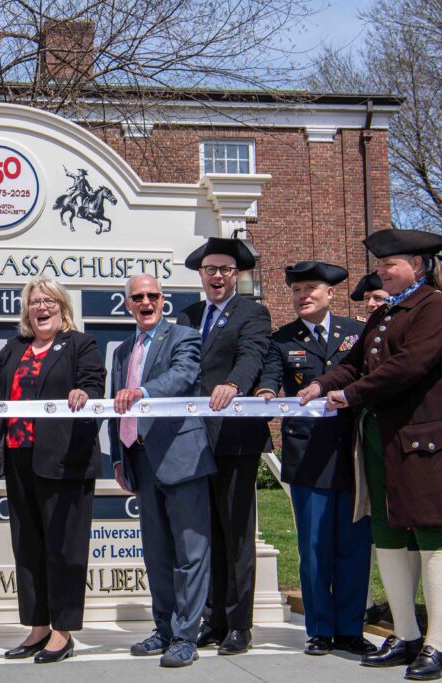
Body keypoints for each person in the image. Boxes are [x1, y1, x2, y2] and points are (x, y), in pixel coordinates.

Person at [299, 229, 442, 681]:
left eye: (388, 264)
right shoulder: (387, 311)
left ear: (417, 265)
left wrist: (351, 395)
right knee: (388, 538)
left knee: (431, 539)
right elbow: (354, 362)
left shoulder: (436, 308)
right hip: (380, 440)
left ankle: (438, 645)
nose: (380, 271)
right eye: (380, 264)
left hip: (422, 445)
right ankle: (405, 635)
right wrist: (322, 384)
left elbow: (410, 365)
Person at [0, 275, 106, 664]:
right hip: (19, 458)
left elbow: (94, 385)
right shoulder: (15, 346)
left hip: (65, 461)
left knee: (64, 547)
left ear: (62, 308)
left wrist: (84, 394)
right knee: (28, 546)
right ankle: (38, 627)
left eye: (49, 301)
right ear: (26, 311)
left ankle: (62, 632)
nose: (41, 308)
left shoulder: (80, 344)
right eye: (35, 302)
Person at [255, 262, 373, 657]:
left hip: (353, 452)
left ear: (329, 294)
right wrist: (266, 392)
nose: (303, 296)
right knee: (315, 545)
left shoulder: (357, 333)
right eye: (296, 290)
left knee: (354, 546)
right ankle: (320, 629)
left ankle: (351, 629)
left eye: (311, 289)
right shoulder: (282, 338)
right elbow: (271, 377)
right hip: (307, 454)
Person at [109, 274, 214, 667]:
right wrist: (118, 457)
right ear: (128, 304)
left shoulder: (183, 336)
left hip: (182, 458)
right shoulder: (122, 350)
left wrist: (144, 392)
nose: (146, 302)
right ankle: (164, 630)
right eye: (138, 297)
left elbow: (183, 375)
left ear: (163, 299)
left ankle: (186, 637)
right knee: (156, 554)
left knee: (190, 553)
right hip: (140, 459)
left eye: (152, 295)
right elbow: (116, 406)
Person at [175, 237, 271, 656]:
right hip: (194, 439)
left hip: (234, 438)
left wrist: (235, 384)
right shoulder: (189, 315)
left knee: (236, 533)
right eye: (210, 270)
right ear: (201, 275)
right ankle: (212, 619)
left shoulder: (252, 313)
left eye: (225, 270)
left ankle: (239, 624)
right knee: (206, 533)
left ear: (237, 275)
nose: (217, 276)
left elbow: (252, 355)